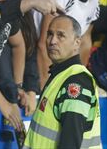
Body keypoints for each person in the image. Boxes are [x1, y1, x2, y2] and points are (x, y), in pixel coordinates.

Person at [33, 0, 106, 87]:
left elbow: (84, 41)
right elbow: (43, 43)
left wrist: (78, 80)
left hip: (56, 57)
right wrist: (47, 88)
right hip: (31, 58)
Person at [24, 15, 102, 148]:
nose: (52, 41)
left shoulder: (76, 82)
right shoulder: (61, 74)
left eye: (61, 35)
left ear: (77, 43)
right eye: (50, 34)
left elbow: (70, 143)